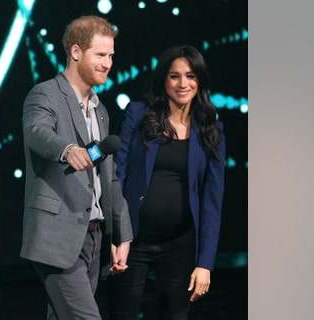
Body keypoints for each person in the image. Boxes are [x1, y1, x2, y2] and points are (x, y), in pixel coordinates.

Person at [20, 15, 133, 319]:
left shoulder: (100, 110)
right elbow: (37, 132)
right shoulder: (45, 94)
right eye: (100, 55)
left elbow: (110, 180)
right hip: (58, 236)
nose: (108, 63)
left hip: (94, 237)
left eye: (111, 55)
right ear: (76, 52)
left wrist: (121, 234)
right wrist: (66, 149)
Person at [107, 45, 226, 319]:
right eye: (175, 76)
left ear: (200, 80)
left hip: (180, 245)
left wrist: (205, 263)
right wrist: (116, 235)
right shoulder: (138, 114)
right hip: (131, 241)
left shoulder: (212, 130)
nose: (183, 83)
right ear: (164, 79)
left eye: (190, 75)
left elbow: (212, 202)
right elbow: (116, 175)